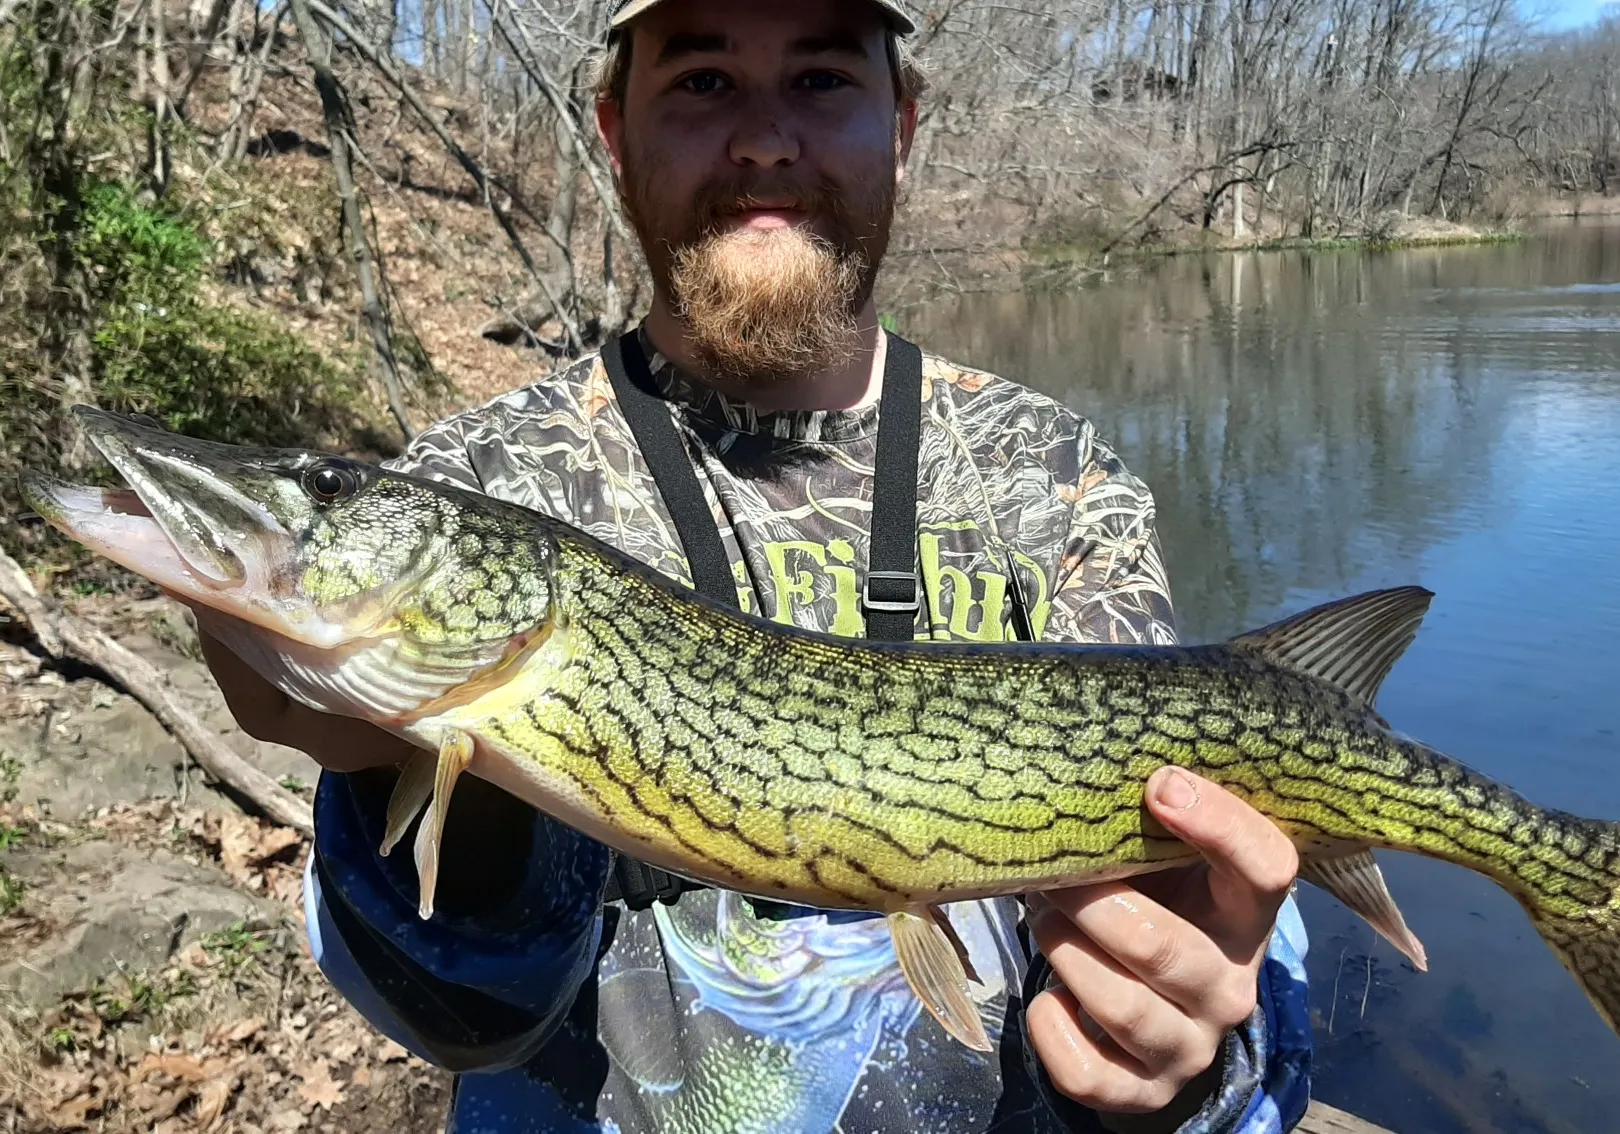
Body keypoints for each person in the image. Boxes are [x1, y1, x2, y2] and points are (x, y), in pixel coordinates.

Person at [200, 0, 1314, 1129]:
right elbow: (453, 1015)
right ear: (614, 131)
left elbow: (1197, 913)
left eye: (823, 79)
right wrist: (392, 787)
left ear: (904, 126)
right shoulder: (482, 487)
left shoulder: (1057, 480)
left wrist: (1186, 1065)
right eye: (702, 81)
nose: (766, 140)